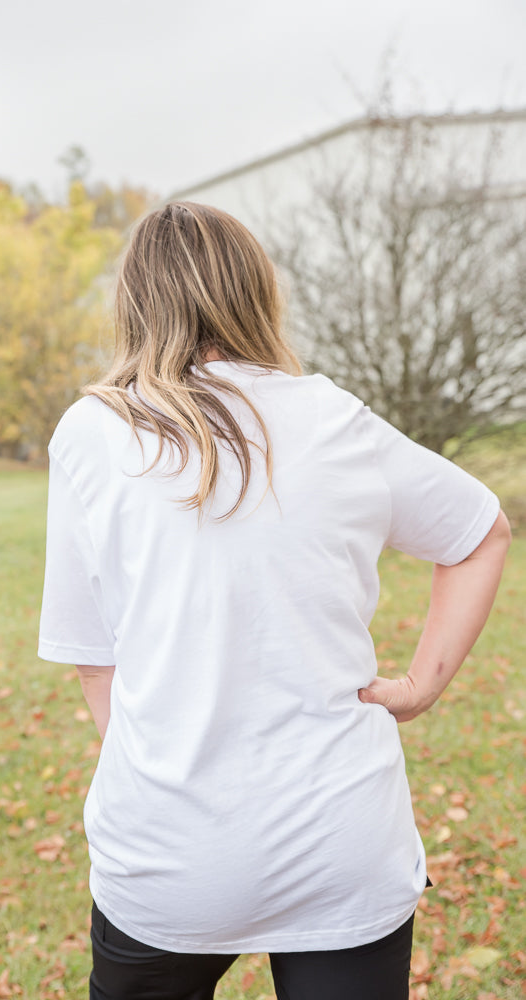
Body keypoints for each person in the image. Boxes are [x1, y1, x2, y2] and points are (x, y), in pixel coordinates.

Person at [38, 201, 511, 1000]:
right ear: (255, 293)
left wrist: (170, 770)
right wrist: (421, 687)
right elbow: (481, 529)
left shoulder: (90, 432)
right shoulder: (334, 418)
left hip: (166, 859)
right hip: (343, 846)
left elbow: (95, 661)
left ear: (137, 302)